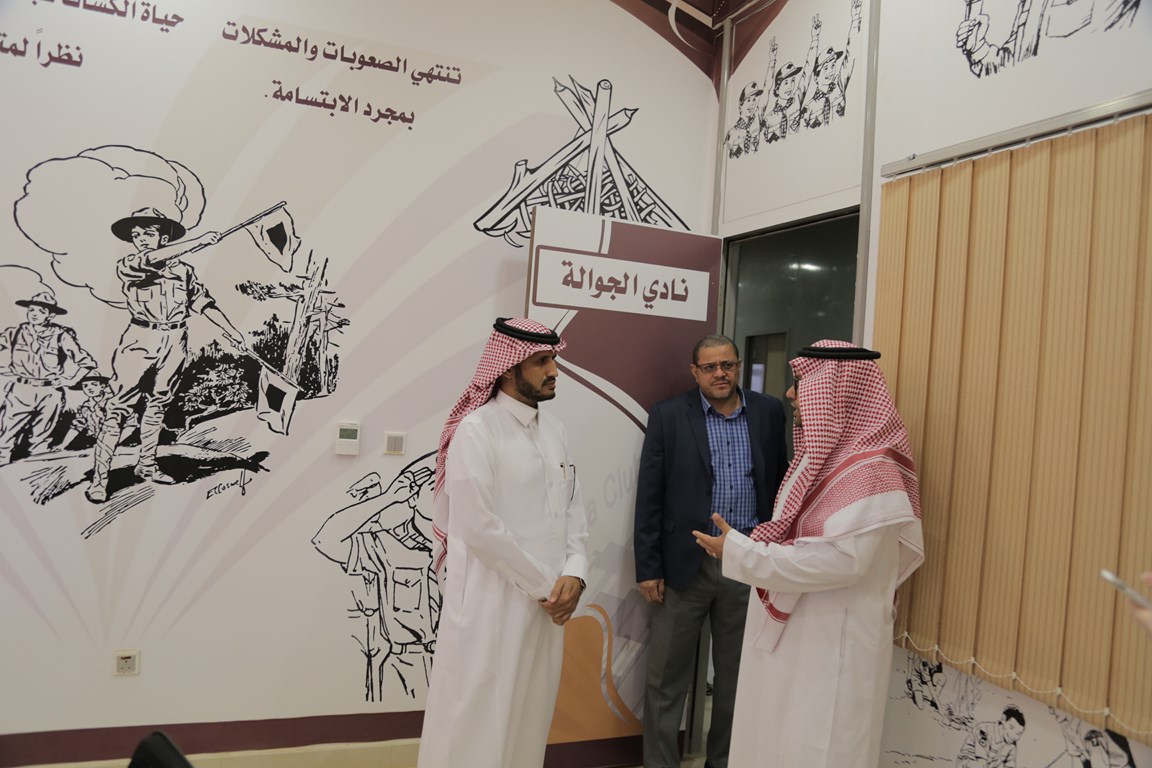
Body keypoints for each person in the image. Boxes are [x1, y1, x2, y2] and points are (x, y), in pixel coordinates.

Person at [693, 340, 924, 768]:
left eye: (801, 383)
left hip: (833, 648)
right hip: (801, 641)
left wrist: (743, 553)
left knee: (820, 748)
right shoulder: (820, 462)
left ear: (836, 392)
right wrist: (745, 552)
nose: (791, 394)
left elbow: (844, 562)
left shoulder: (874, 472)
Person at [417, 317, 588, 768]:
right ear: (509, 368)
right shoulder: (477, 430)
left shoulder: (555, 431)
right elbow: (479, 527)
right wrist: (546, 587)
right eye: (542, 362)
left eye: (554, 360)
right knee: (476, 725)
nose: (554, 371)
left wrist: (576, 572)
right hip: (492, 605)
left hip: (546, 606)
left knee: (530, 719)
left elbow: (573, 508)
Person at [634, 334, 788, 768]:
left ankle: (723, 762)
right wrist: (648, 567)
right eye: (710, 367)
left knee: (738, 680)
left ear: (738, 366)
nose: (720, 374)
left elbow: (780, 485)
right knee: (666, 679)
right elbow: (650, 496)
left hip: (748, 563)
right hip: (686, 565)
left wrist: (776, 553)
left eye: (728, 365)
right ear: (695, 371)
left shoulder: (768, 412)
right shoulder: (668, 415)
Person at [85, 208, 244, 504]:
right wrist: (199, 241)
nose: (141, 239)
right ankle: (100, 479)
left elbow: (203, 303)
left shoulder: (184, 271)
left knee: (158, 403)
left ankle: (147, 465)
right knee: (119, 408)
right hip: (140, 338)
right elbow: (149, 259)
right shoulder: (131, 264)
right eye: (136, 235)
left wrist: (231, 331)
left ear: (164, 238)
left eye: (148, 233)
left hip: (175, 338)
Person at [312, 454, 440, 702]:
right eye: (434, 486)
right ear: (413, 497)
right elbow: (326, 540)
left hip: (456, 663)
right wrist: (388, 498)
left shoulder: (462, 546)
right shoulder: (385, 544)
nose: (445, 494)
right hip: (406, 665)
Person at [0, 291, 98, 464]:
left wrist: (70, 380)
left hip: (50, 392)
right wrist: (5, 371)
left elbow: (87, 362)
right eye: (31, 310)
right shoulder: (14, 332)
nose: (34, 314)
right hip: (21, 391)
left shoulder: (61, 335)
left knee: (40, 442)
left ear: (50, 315)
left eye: (41, 311)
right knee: (5, 437)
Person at [956, 705, 1025, 768]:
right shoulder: (984, 730)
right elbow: (981, 761)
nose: (1014, 736)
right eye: (1011, 727)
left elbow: (1010, 765)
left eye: (1018, 733)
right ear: (1003, 719)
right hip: (968, 762)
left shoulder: (1012, 743)